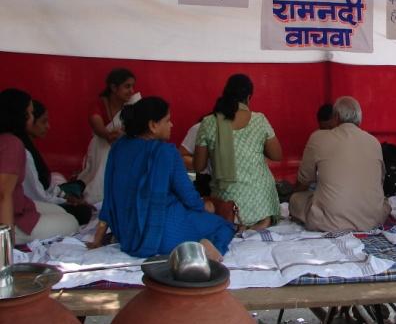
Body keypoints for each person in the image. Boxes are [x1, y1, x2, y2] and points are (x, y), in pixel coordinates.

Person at [92, 97, 235, 259]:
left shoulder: (118, 147)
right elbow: (188, 196)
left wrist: (98, 237)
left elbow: (109, 195)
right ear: (153, 126)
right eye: (167, 120)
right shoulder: (166, 152)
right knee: (224, 226)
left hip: (128, 235)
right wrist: (204, 207)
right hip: (163, 232)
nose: (171, 125)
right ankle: (208, 250)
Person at [194, 74, 282, 231]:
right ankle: (259, 222)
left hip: (228, 204)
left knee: (210, 205)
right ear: (249, 97)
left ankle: (237, 223)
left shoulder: (208, 123)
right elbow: (277, 155)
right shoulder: (259, 120)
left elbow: (198, 166)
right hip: (262, 203)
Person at [289, 96, 390, 232]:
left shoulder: (318, 137)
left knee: (296, 199)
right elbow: (379, 183)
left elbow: (303, 182)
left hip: (331, 221)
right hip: (372, 219)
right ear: (359, 119)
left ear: (335, 116)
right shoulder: (374, 142)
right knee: (384, 202)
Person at [0, 89, 78, 246]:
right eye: (30, 113)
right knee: (71, 222)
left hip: (20, 206)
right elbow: (3, 195)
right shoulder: (12, 144)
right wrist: (6, 245)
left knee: (62, 212)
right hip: (11, 218)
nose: (32, 117)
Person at [21, 100, 92, 224]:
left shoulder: (28, 146)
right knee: (82, 213)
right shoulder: (22, 152)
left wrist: (65, 196)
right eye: (43, 121)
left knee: (79, 185)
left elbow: (46, 185)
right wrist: (65, 201)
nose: (48, 126)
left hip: (45, 198)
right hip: (33, 206)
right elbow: (37, 196)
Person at [77, 68, 139, 205]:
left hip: (125, 148)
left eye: (132, 86)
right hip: (102, 147)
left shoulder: (132, 106)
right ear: (113, 87)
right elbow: (97, 126)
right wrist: (109, 135)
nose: (132, 91)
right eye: (127, 86)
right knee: (105, 149)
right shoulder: (99, 104)